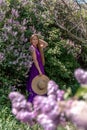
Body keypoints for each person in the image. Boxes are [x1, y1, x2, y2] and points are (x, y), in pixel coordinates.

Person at [26, 34, 48, 103]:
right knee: (35, 83)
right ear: (31, 40)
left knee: (41, 83)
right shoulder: (32, 48)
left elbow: (46, 44)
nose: (35, 41)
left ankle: (40, 99)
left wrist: (38, 39)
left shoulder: (38, 47)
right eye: (33, 39)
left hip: (40, 66)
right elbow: (35, 60)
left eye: (36, 39)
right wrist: (39, 71)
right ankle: (35, 100)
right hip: (36, 68)